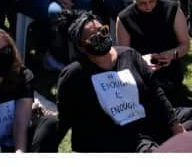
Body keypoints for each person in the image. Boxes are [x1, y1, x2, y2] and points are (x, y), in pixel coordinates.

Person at [57, 13, 184, 151]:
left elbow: (155, 92)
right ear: (81, 46)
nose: (101, 37)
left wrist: (176, 126)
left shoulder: (129, 55)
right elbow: (65, 118)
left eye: (103, 31)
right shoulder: (74, 75)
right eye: (93, 38)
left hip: (144, 124)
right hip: (111, 139)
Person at [0, 27, 59, 152]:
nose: (3, 55)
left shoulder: (22, 76)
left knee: (50, 123)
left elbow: (20, 123)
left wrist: (19, 153)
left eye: (7, 50)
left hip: (16, 139)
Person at [116, 0, 192, 101]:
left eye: (152, 1)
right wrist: (141, 61)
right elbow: (124, 57)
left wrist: (171, 55)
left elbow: (185, 44)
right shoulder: (124, 18)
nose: (148, 6)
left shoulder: (172, 9)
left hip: (169, 70)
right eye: (142, 3)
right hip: (140, 74)